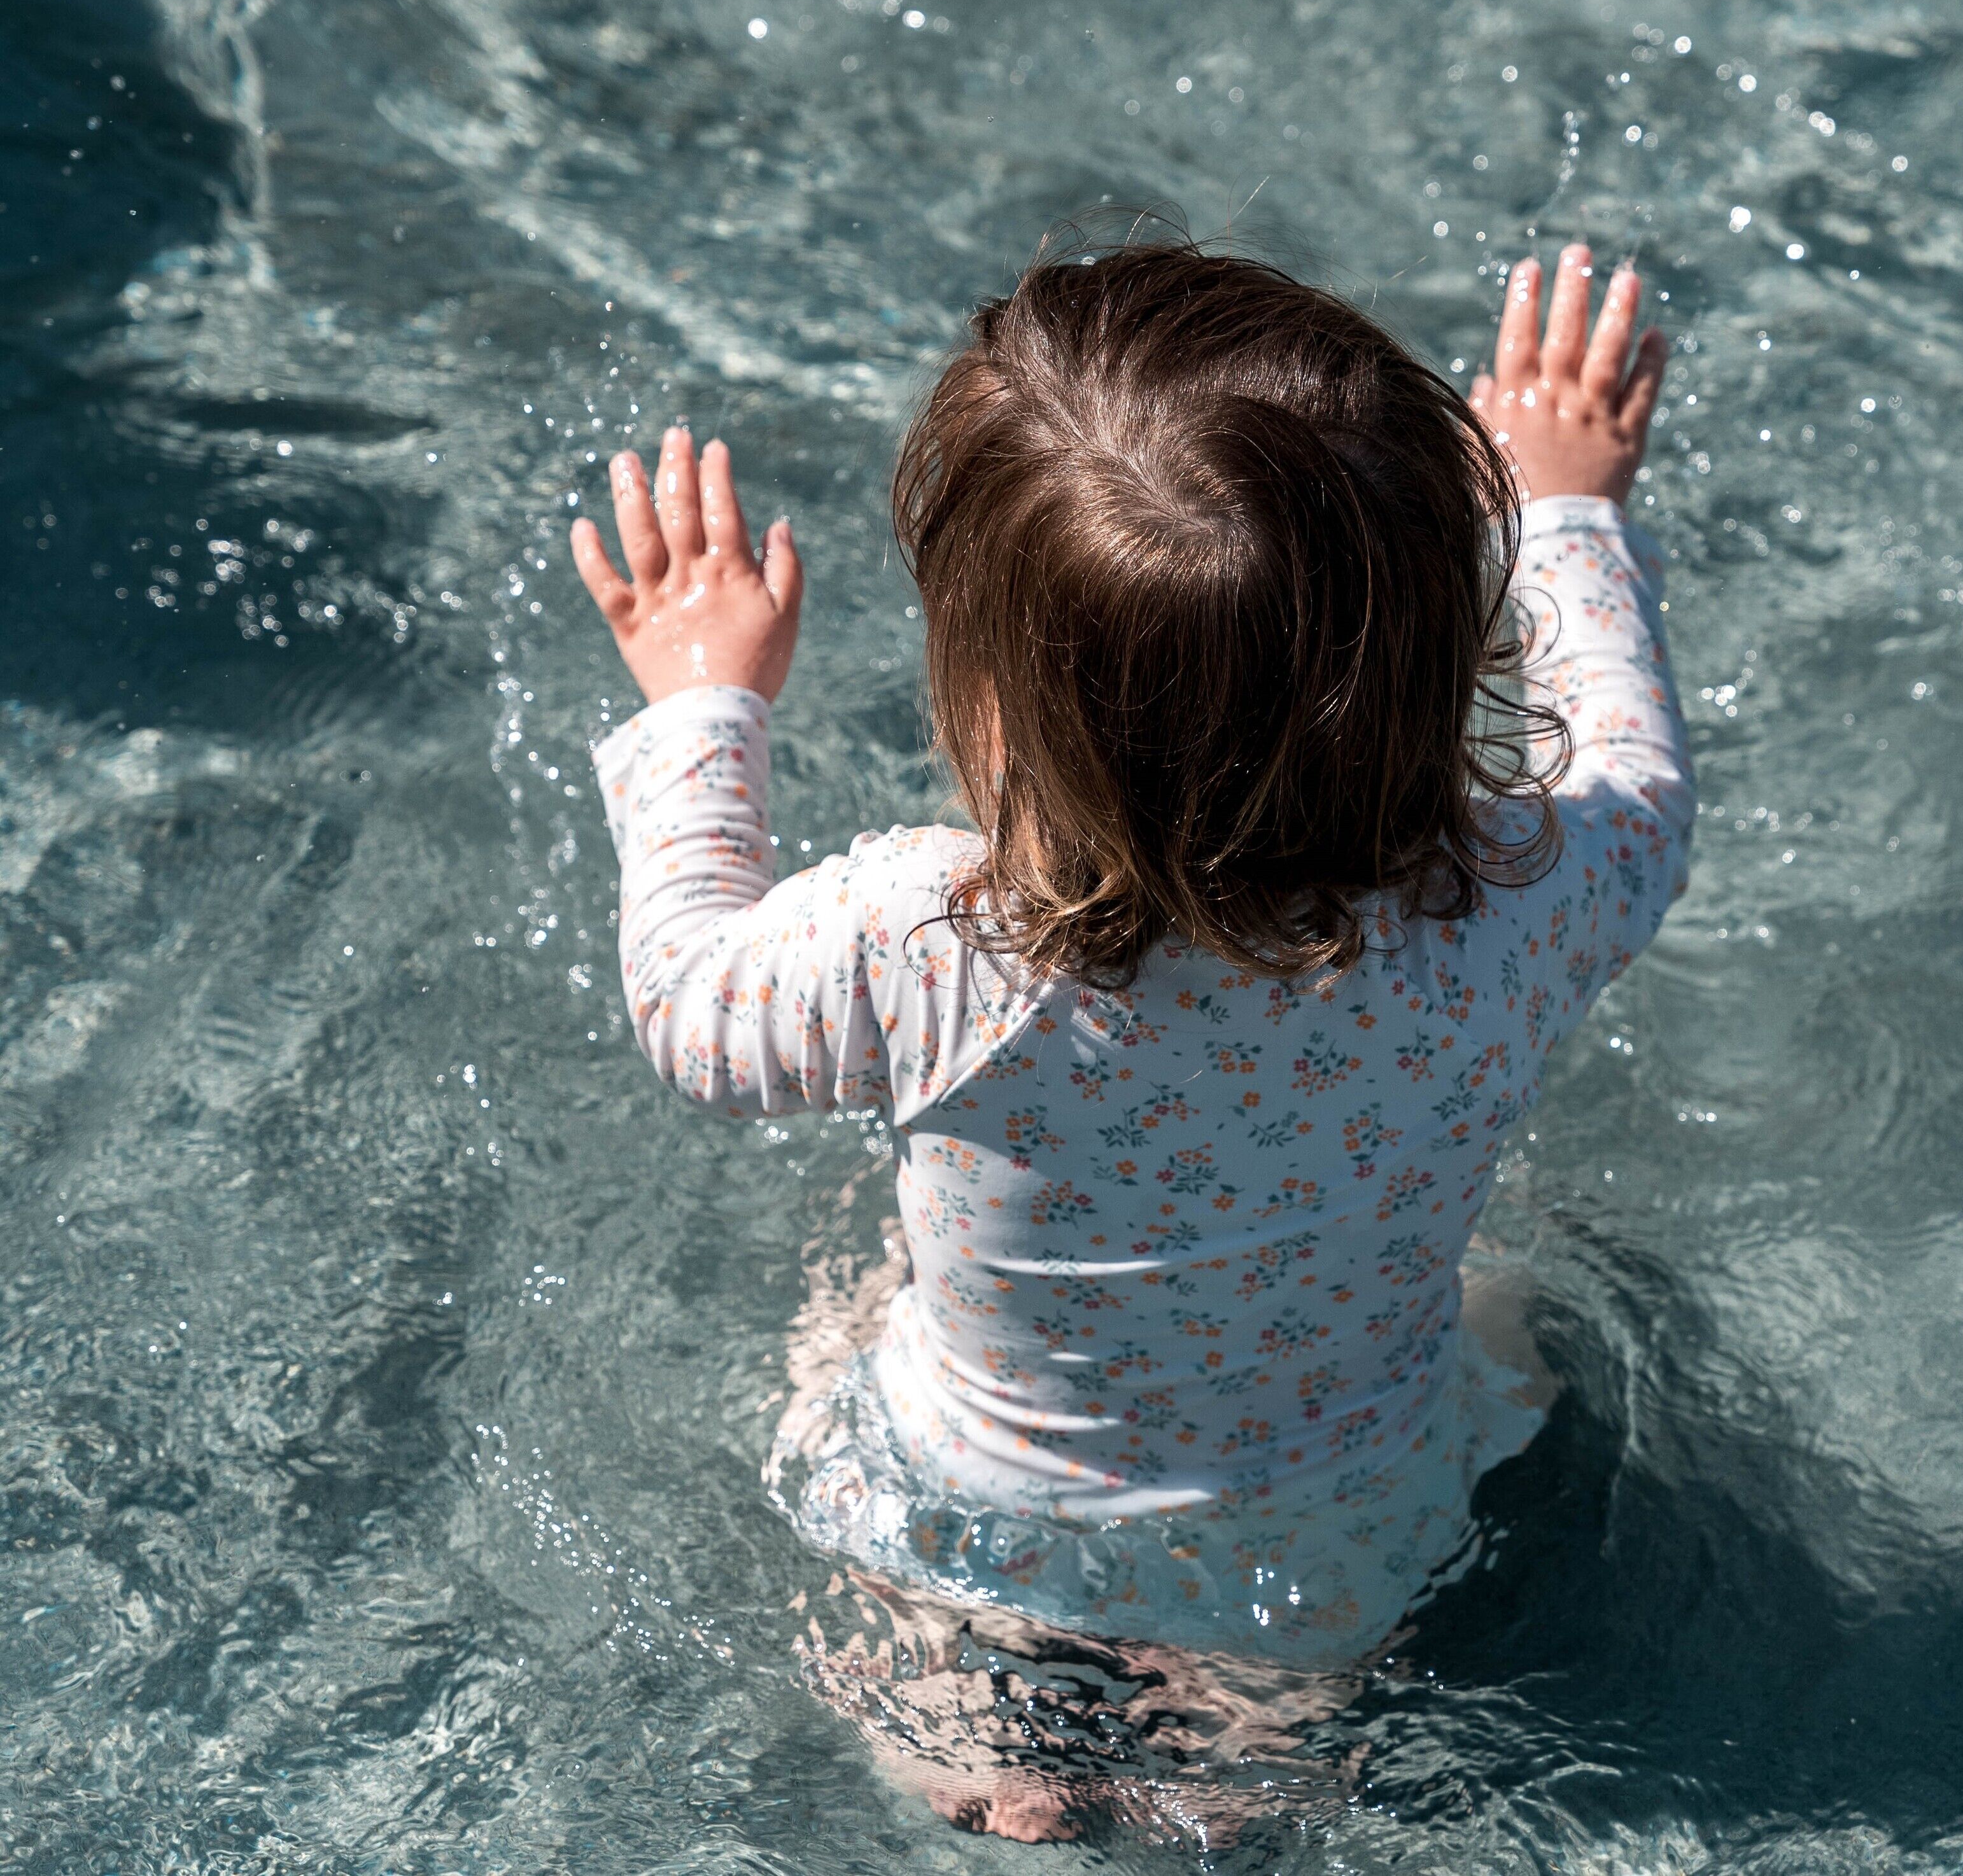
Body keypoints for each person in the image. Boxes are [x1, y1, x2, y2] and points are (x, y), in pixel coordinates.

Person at [571, 232, 1692, 1839]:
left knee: (847, 1286)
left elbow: (690, 1002)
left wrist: (703, 700)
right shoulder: (1529, 896)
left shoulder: (928, 943)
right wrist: (1571, 502)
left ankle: (978, 1740)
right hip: (1330, 1539)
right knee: (1497, 1310)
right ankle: (1253, 1745)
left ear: (995, 703)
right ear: (1447, 649)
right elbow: (1641, 776)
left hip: (968, 1518)